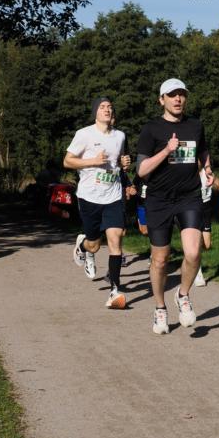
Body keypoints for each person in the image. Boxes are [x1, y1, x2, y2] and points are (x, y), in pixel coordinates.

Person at [136, 79, 212, 335]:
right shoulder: (151, 129)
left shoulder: (195, 126)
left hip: (189, 196)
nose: (178, 99)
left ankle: (183, 294)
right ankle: (160, 307)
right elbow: (142, 170)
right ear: (162, 100)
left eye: (181, 95)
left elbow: (202, 152)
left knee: (193, 252)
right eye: (172, 95)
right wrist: (166, 151)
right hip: (159, 199)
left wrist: (208, 169)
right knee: (160, 260)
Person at [64, 97, 131, 309]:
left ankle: (115, 291)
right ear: (95, 112)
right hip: (89, 196)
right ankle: (82, 246)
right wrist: (92, 161)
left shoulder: (120, 135)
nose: (107, 110)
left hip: (113, 195)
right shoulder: (84, 134)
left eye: (110, 107)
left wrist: (125, 162)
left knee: (115, 239)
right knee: (94, 244)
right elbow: (67, 161)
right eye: (102, 107)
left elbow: (122, 160)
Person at [194, 167, 219, 287]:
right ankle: (198, 273)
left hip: (206, 209)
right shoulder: (187, 173)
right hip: (192, 209)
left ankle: (191, 259)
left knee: (207, 245)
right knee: (197, 242)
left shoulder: (207, 173)